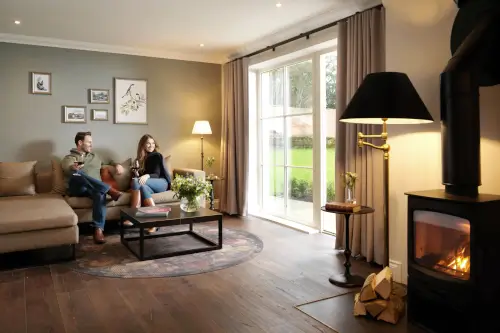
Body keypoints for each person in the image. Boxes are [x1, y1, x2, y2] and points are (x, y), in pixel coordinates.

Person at [61, 131, 125, 244]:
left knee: (99, 193)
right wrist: (73, 167)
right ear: (80, 143)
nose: (91, 144)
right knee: (77, 174)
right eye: (89, 142)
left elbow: (110, 161)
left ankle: (98, 230)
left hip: (93, 189)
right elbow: (67, 168)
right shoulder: (69, 157)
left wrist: (117, 164)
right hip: (78, 188)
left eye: (91, 142)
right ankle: (109, 189)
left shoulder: (95, 156)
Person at [124, 134, 171, 233]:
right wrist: (136, 173)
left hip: (161, 182)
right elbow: (139, 181)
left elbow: (157, 174)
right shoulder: (139, 160)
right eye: (148, 143)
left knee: (136, 181)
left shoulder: (156, 156)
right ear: (143, 145)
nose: (151, 145)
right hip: (149, 185)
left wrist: (147, 175)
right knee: (143, 188)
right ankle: (155, 223)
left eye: (153, 143)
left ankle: (133, 214)